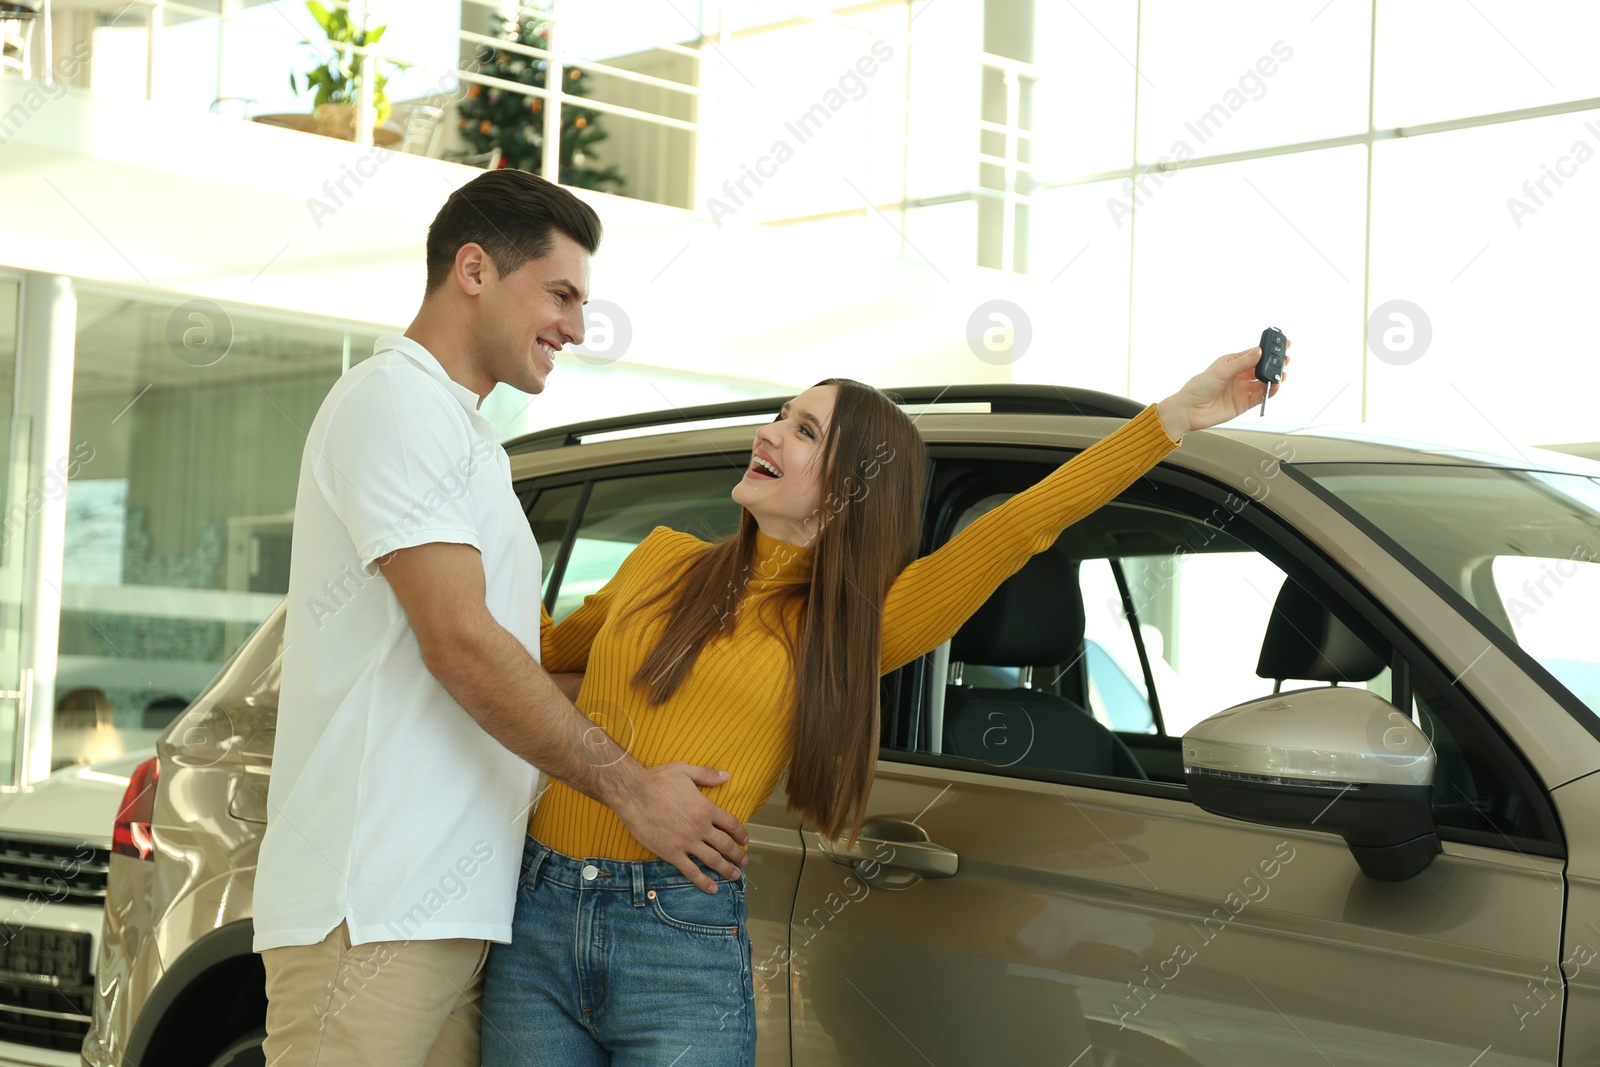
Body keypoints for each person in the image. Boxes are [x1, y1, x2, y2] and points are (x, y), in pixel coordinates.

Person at [481, 346, 1288, 1065]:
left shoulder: (856, 625)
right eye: (780, 416)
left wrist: (1176, 416)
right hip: (538, 908)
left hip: (676, 933)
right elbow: (533, 651)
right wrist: (475, 527)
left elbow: (1022, 527)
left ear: (852, 490)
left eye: (803, 431)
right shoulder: (662, 558)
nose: (769, 432)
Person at [253, 169, 749, 1067]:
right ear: (474, 269)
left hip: (450, 914)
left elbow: (511, 661)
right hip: (367, 912)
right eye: (560, 293)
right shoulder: (393, 400)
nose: (577, 327)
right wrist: (633, 788)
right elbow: (460, 643)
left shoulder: (470, 437)